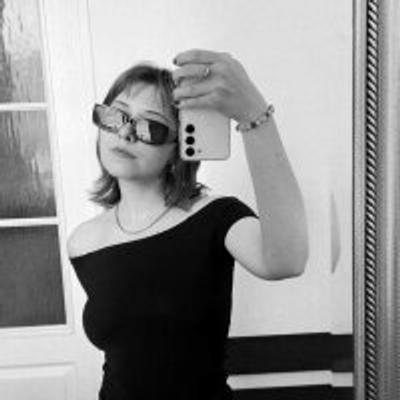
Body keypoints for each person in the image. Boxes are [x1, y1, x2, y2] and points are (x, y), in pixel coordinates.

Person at [67, 49, 309, 400]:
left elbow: (286, 261)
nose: (126, 133)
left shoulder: (217, 217)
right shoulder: (83, 242)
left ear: (177, 149)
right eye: (116, 117)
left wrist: (254, 115)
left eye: (150, 126)